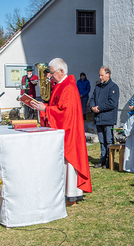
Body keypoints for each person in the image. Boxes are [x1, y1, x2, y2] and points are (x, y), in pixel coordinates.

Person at [30, 58, 92, 206]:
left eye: (52, 73)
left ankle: (72, 194)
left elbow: (65, 113)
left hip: (69, 132)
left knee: (69, 163)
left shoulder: (69, 87)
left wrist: (46, 109)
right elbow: (56, 106)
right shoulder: (60, 85)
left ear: (61, 71)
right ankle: (65, 192)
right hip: (63, 130)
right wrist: (43, 107)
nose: (49, 76)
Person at [89, 66, 120, 169]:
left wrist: (99, 108)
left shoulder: (113, 87)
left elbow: (112, 103)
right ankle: (102, 160)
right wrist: (92, 107)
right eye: (99, 75)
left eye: (102, 75)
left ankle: (109, 161)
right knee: (102, 141)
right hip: (99, 118)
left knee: (109, 141)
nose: (100, 77)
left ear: (108, 74)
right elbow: (92, 98)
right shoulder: (97, 87)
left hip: (108, 118)